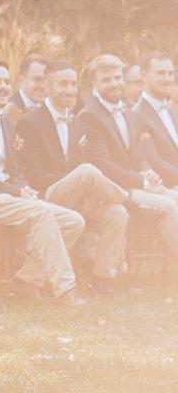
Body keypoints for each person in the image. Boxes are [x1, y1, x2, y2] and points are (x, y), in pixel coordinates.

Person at [0, 61, 86, 305]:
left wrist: (24, 188)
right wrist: (14, 191)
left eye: (5, 82)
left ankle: (26, 279)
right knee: (42, 212)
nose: (2, 87)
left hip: (6, 197)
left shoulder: (6, 123)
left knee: (74, 221)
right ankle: (65, 289)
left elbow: (15, 168)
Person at [10, 61, 131, 291]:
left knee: (117, 213)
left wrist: (82, 190)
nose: (70, 90)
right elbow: (30, 173)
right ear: (47, 86)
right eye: (63, 84)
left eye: (73, 84)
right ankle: (126, 195)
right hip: (45, 194)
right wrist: (74, 181)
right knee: (87, 172)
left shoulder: (75, 121)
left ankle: (101, 277)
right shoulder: (29, 122)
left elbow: (79, 167)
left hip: (76, 197)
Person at [75, 54, 178, 261]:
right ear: (93, 83)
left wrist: (147, 170)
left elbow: (138, 154)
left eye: (117, 77)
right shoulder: (89, 116)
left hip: (136, 184)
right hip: (115, 191)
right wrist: (142, 182)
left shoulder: (127, 112)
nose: (114, 83)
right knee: (170, 206)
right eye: (106, 80)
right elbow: (103, 166)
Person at [133, 53, 178, 184]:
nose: (168, 79)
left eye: (171, 73)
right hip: (166, 187)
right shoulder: (137, 115)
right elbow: (154, 161)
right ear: (143, 75)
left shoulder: (171, 111)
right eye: (161, 73)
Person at [5, 55, 50, 119]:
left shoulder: (51, 110)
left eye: (46, 80)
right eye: (38, 79)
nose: (43, 86)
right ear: (22, 80)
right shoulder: (6, 111)